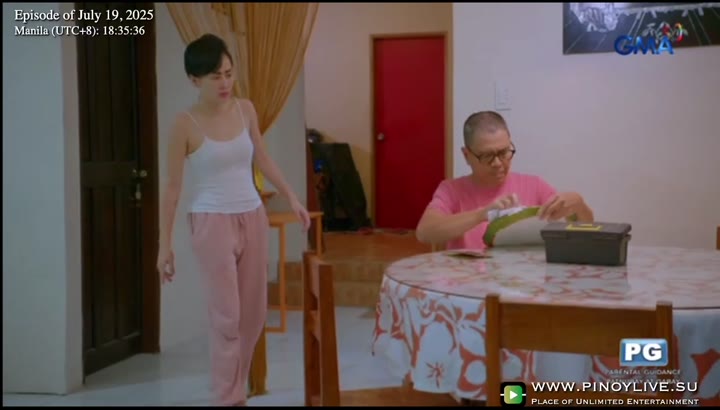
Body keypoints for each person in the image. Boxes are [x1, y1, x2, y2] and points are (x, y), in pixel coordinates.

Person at [156, 33, 311, 406]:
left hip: (252, 216)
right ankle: (229, 398)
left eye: (228, 73)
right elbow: (172, 188)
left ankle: (235, 387)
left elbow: (262, 157)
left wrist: (292, 196)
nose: (225, 83)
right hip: (211, 222)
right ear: (195, 80)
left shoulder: (246, 110)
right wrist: (165, 245)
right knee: (227, 317)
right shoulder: (184, 123)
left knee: (253, 315)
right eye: (215, 77)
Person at [416, 111, 593, 250]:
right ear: (467, 155)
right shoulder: (451, 190)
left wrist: (579, 204)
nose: (498, 163)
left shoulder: (535, 185)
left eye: (503, 153)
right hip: (469, 281)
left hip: (523, 280)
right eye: (486, 156)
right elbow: (424, 232)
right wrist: (482, 214)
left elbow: (585, 230)